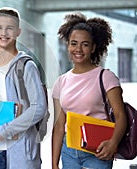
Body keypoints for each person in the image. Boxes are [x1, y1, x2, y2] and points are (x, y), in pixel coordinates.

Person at [0, 7, 47, 169]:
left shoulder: (26, 66)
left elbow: (39, 107)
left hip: (20, 152)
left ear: (18, 32)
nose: (3, 32)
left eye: (10, 28)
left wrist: (5, 131)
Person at [51, 12, 127, 169]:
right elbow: (59, 125)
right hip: (69, 151)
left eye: (85, 44)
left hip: (98, 150)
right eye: (73, 43)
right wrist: (54, 163)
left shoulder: (106, 77)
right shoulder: (61, 82)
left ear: (93, 47)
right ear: (68, 45)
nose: (78, 49)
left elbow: (121, 116)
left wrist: (113, 143)